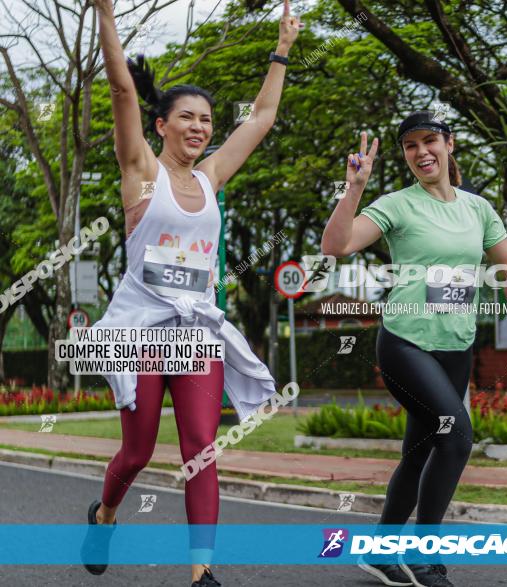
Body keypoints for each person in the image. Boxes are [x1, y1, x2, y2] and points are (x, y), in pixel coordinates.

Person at [82, 1, 299, 585]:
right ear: (162, 125)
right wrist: (106, 16)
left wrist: (282, 49)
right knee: (138, 451)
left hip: (196, 332)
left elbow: (260, 118)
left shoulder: (211, 177)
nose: (201, 127)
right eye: (188, 117)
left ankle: (202, 572)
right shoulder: (141, 172)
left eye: (206, 118)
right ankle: (104, 513)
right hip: (141, 334)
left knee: (202, 446)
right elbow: (123, 91)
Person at [321, 112, 507, 587]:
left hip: (455, 346)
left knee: (420, 453)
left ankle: (380, 552)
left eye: (429, 142)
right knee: (457, 436)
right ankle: (426, 556)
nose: (421, 152)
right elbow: (337, 245)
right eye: (410, 146)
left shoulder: (478, 209)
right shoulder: (397, 205)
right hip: (405, 341)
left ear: (449, 144)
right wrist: (354, 188)